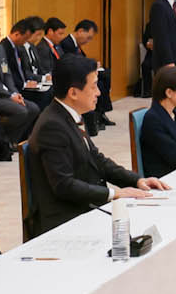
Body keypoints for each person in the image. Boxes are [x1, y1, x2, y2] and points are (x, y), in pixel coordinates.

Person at [23, 56, 164, 240]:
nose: (99, 92)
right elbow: (64, 185)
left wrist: (136, 181)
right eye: (93, 86)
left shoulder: (71, 115)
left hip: (86, 205)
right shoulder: (52, 126)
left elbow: (97, 160)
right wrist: (114, 194)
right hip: (66, 218)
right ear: (73, 93)